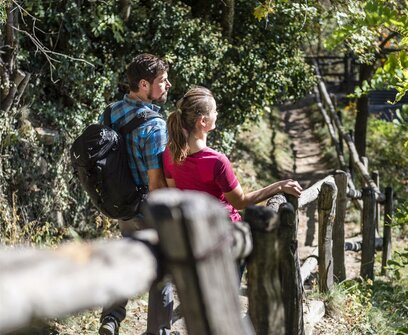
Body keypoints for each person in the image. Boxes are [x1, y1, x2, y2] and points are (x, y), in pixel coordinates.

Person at [98, 53, 175, 335]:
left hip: (120, 203)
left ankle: (111, 318)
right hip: (148, 208)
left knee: (126, 260)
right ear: (144, 84)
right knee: (162, 271)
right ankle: (160, 331)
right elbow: (156, 182)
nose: (168, 85)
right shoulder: (155, 126)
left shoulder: (110, 112)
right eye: (162, 81)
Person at [163, 85, 302, 224]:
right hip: (226, 230)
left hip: (196, 230)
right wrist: (279, 186)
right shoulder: (216, 161)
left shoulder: (170, 153)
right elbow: (240, 202)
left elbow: (175, 193)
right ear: (203, 121)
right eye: (214, 111)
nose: (217, 114)